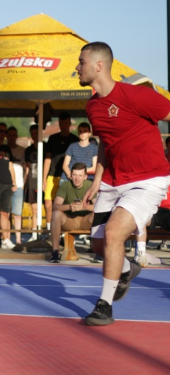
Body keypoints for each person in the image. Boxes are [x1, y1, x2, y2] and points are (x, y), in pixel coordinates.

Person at [76, 42, 170, 326]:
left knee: (115, 233)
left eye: (81, 62)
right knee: (97, 245)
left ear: (98, 65)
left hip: (147, 179)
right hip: (113, 182)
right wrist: (97, 181)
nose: (76, 67)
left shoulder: (136, 95)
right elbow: (106, 142)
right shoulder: (92, 106)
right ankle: (127, 269)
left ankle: (104, 306)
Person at [49, 163, 95, 263]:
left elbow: (98, 207)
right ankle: (55, 252)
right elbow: (55, 206)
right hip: (69, 220)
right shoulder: (65, 185)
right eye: (74, 175)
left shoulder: (90, 185)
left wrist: (84, 206)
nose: (77, 178)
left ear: (85, 177)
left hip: (85, 221)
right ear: (70, 175)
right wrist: (69, 207)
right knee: (56, 213)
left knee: (99, 214)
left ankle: (100, 252)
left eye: (80, 175)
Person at [43, 112, 79, 231]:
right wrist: (44, 179)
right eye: (61, 123)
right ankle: (50, 231)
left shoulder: (75, 140)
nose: (63, 126)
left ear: (69, 124)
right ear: (58, 124)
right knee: (49, 205)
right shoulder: (53, 138)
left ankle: (64, 232)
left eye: (65, 123)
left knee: (65, 206)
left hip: (67, 177)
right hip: (52, 176)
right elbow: (47, 159)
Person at [24, 124, 45, 241]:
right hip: (32, 181)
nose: (34, 135)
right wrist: (25, 183)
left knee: (46, 207)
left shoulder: (46, 147)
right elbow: (27, 168)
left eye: (36, 133)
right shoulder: (28, 150)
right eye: (32, 133)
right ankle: (34, 234)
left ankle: (46, 232)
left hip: (43, 181)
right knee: (34, 209)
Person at [6, 126, 25, 246]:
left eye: (14, 135)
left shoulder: (22, 150)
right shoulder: (3, 150)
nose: (12, 137)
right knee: (6, 213)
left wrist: (24, 184)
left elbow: (26, 167)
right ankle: (6, 239)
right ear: (7, 136)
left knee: (17, 214)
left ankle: (18, 240)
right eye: (10, 135)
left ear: (17, 136)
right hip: (6, 185)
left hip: (19, 185)